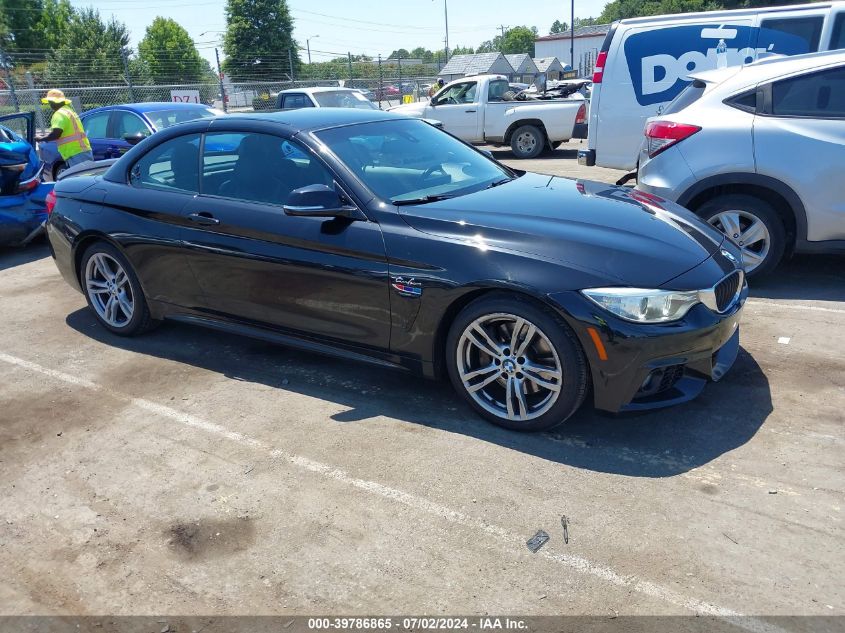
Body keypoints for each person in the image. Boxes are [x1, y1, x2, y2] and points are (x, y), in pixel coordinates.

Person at [36, 89, 93, 168]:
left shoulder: (59, 114)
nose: (50, 105)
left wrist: (41, 139)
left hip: (74, 152)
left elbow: (56, 134)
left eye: (50, 102)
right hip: (82, 150)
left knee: (80, 176)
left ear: (54, 102)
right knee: (86, 176)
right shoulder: (69, 111)